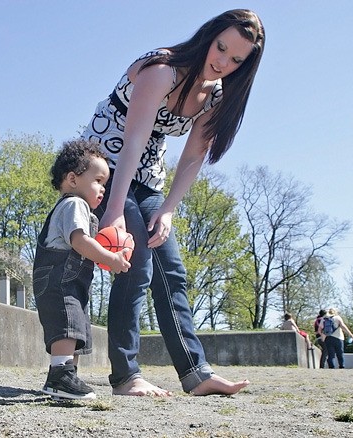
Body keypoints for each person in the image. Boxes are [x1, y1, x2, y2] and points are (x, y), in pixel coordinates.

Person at [81, 9, 265, 396]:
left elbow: (193, 158)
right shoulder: (162, 69)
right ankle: (126, 376)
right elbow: (133, 140)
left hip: (146, 179)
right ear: (209, 36)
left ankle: (196, 373)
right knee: (135, 263)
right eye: (221, 48)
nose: (222, 62)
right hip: (102, 170)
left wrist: (168, 209)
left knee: (172, 269)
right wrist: (113, 210)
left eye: (236, 60)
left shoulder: (213, 94)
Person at [33, 139, 132, 400]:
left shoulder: (76, 208)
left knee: (75, 327)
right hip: (58, 280)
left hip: (65, 281)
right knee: (68, 324)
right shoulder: (75, 205)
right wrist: (111, 258)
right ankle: (60, 377)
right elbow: (80, 241)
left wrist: (115, 248)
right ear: (73, 179)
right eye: (98, 180)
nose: (102, 189)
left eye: (105, 184)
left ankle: (66, 379)